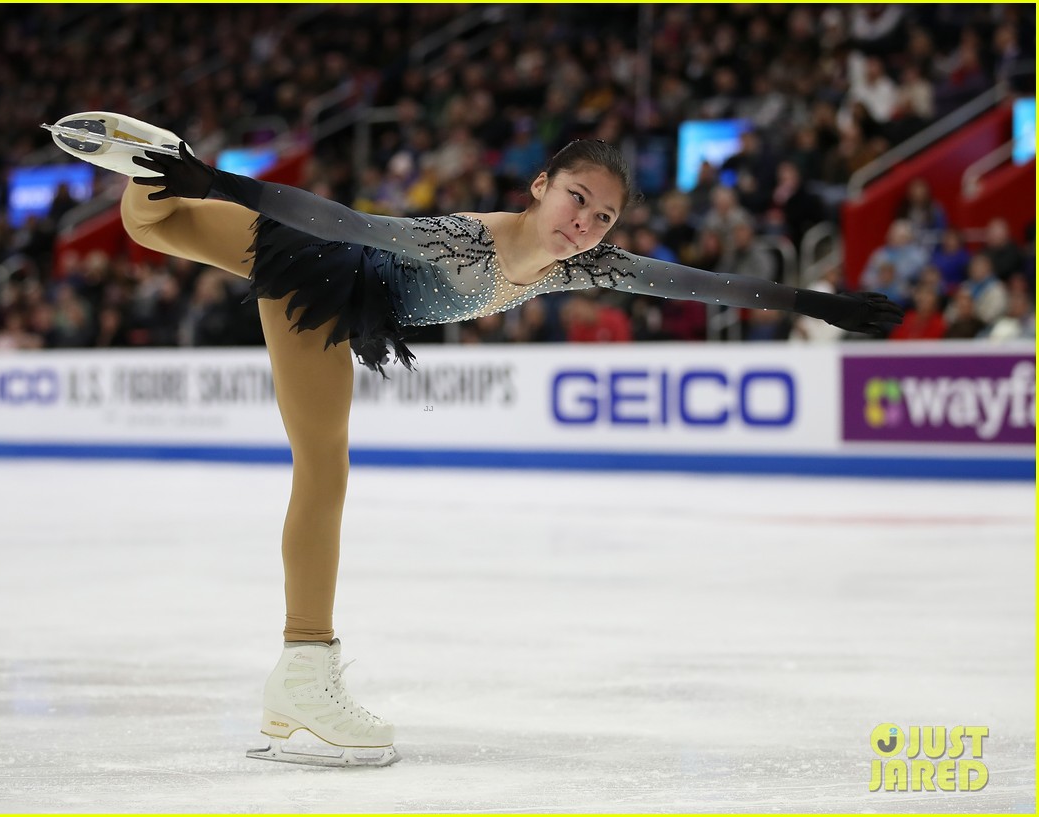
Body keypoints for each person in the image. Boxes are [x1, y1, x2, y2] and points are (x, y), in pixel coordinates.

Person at [49, 112, 902, 768]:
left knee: (153, 225)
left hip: (338, 275)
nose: (587, 224)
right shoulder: (464, 239)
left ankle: (152, 166)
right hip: (324, 267)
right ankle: (304, 667)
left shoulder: (580, 265)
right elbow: (347, 223)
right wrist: (221, 178)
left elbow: (691, 281)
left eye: (603, 217)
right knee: (322, 464)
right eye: (578, 199)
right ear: (540, 186)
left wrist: (815, 305)